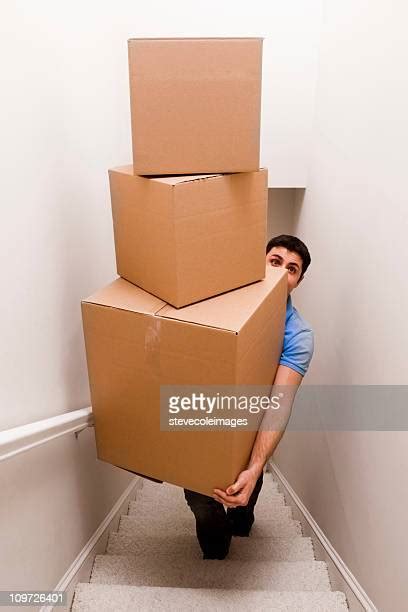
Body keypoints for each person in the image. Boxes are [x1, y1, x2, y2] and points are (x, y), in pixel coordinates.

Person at [184, 234, 314, 559]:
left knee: (246, 485)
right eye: (275, 261)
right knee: (202, 498)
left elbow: (279, 403)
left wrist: (255, 468)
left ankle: (243, 520)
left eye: (292, 269)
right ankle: (217, 550)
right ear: (261, 262)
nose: (281, 271)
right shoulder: (223, 305)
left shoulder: (298, 335)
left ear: (297, 281)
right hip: (208, 417)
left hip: (254, 424)